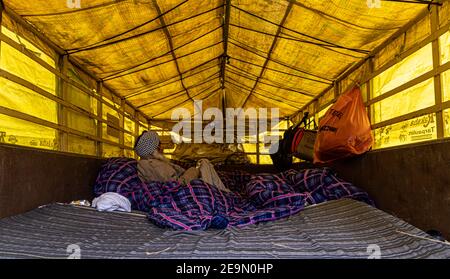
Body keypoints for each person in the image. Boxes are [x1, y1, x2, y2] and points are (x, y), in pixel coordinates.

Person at [134, 131, 230, 192]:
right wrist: (193, 171)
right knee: (204, 162)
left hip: (186, 185)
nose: (161, 147)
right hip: (184, 190)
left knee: (204, 164)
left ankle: (221, 191)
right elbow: (177, 184)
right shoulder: (151, 165)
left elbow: (178, 173)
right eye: (159, 144)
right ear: (153, 149)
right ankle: (221, 192)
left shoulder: (151, 162)